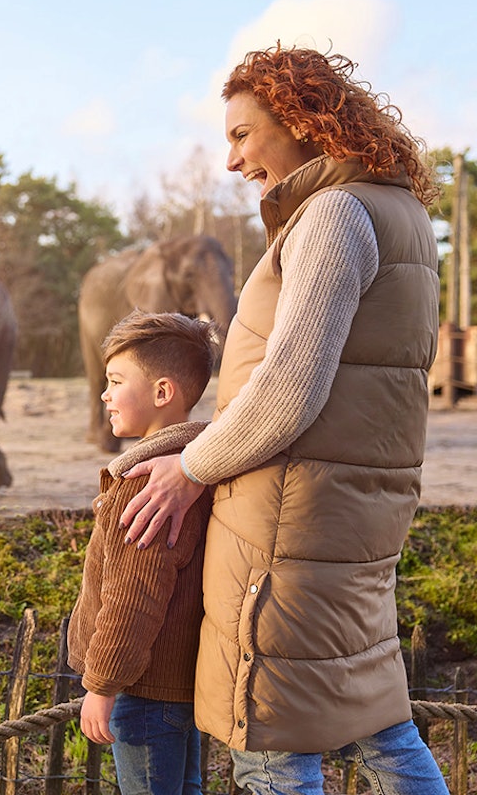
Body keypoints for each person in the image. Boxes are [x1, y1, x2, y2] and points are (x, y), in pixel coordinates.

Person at [118, 45, 447, 794]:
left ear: (302, 119)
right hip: (352, 523)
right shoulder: (402, 213)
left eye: (242, 134)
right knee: (375, 721)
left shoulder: (332, 214)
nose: (232, 159)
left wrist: (188, 468)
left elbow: (290, 387)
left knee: (265, 735)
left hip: (285, 529)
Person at [67, 311, 218, 795]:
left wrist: (102, 685)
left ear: (162, 393)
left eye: (115, 381)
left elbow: (134, 598)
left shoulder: (149, 486)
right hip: (175, 685)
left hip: (142, 688)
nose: (105, 394)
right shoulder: (193, 469)